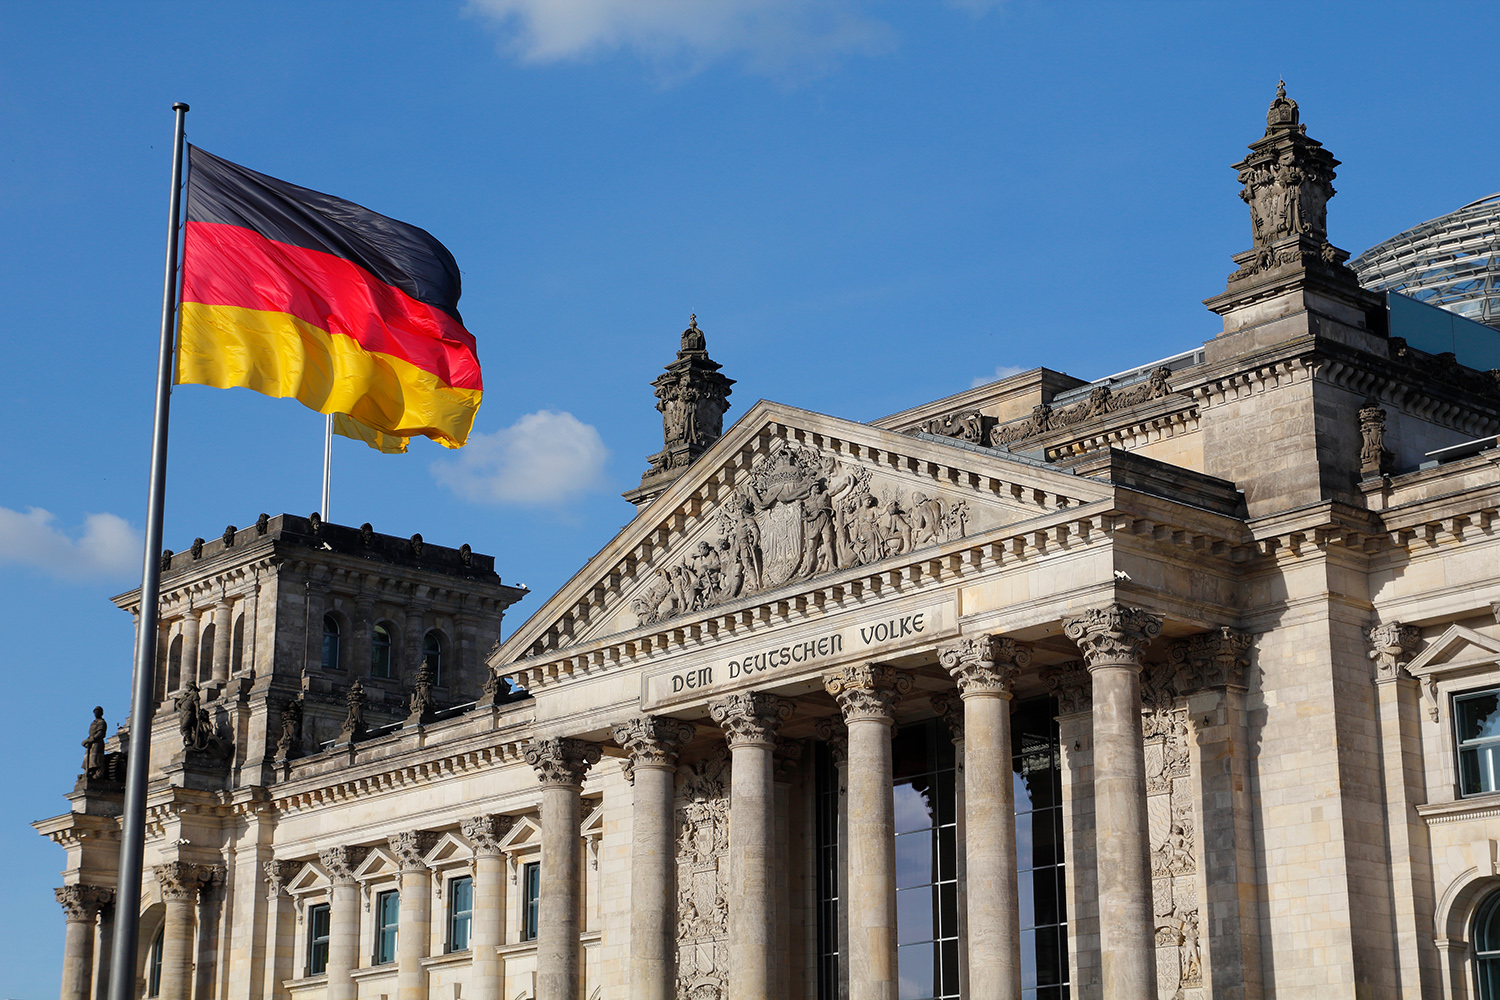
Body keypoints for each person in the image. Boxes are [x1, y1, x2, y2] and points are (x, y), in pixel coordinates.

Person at [81, 706, 107, 776]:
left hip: (97, 742)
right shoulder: (93, 723)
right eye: (95, 712)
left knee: (95, 758)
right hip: (91, 742)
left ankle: (96, 771)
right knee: (87, 757)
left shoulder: (101, 722)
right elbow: (91, 733)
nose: (96, 713)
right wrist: (87, 741)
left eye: (98, 712)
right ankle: (88, 770)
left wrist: (91, 739)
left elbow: (100, 733)